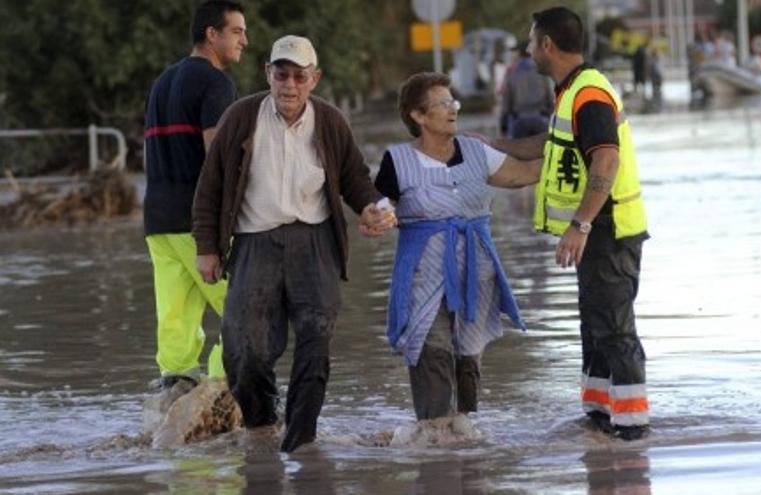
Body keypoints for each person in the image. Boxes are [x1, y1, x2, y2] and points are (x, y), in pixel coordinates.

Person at [191, 35, 396, 452]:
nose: (289, 84)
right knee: (243, 352)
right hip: (253, 243)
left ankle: (301, 442)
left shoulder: (331, 121)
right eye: (280, 74)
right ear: (267, 73)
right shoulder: (241, 117)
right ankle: (263, 425)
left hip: (315, 243)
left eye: (298, 76)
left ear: (314, 79)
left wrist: (373, 206)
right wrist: (207, 247)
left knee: (315, 342)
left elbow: (355, 177)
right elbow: (209, 186)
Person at [492, 7, 650, 440]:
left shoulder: (589, 93)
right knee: (595, 326)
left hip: (608, 230)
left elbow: (607, 159)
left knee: (614, 330)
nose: (527, 50)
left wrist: (579, 225)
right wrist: (491, 145)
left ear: (547, 45)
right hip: (599, 230)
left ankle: (633, 434)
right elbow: (551, 144)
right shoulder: (572, 91)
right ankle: (599, 421)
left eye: (530, 42)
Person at [374, 72, 542, 422]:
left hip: (476, 279)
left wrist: (588, 145)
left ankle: (465, 451)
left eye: (454, 102)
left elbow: (525, 174)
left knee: (468, 365)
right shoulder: (397, 162)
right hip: (423, 280)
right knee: (431, 354)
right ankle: (435, 440)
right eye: (443, 104)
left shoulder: (476, 152)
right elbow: (376, 207)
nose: (453, 110)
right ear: (418, 116)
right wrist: (378, 217)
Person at [143, 0, 248, 391]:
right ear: (212, 34)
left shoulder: (161, 83)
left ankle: (176, 386)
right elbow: (217, 157)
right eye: (236, 31)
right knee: (241, 305)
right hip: (197, 222)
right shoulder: (215, 82)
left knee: (176, 313)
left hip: (157, 220)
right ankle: (223, 386)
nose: (244, 41)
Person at [499, 41, 555, 138]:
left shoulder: (512, 73)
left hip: (519, 122)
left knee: (519, 151)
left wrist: (503, 126)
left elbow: (506, 104)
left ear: (519, 54)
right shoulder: (543, 73)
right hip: (541, 120)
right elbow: (550, 97)